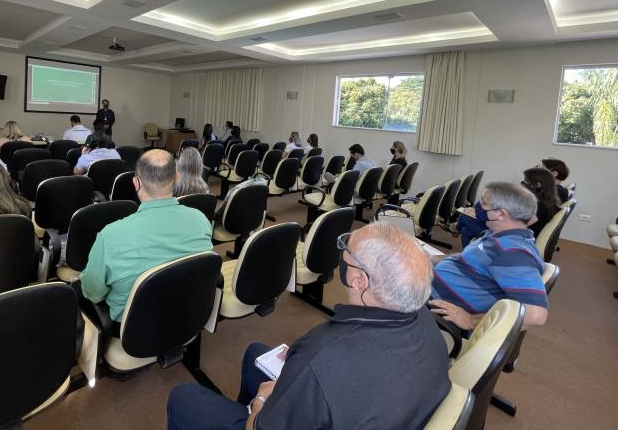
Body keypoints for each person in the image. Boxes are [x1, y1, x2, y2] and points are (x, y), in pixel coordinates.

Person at [167, 221, 451, 429]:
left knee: (185, 397)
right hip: (368, 406)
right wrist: (299, 370)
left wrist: (262, 404)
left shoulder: (322, 357)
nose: (341, 255)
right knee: (256, 353)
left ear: (359, 281)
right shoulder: (424, 320)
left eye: (346, 251)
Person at [80, 150, 213, 324]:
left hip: (133, 331)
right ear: (177, 177)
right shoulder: (200, 219)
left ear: (136, 183)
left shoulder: (110, 236)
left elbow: (92, 293)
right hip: (186, 316)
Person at [430, 182, 549, 330]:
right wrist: (430, 258)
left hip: (436, 309)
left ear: (501, 214)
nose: (477, 206)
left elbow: (535, 315)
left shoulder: (512, 253)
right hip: (428, 288)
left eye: (483, 203)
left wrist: (469, 320)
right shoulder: (497, 234)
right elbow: (468, 260)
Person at [522, 167, 561, 237]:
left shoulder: (539, 206)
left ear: (538, 185)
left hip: (525, 239)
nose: (523, 185)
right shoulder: (550, 200)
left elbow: (517, 226)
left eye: (526, 181)